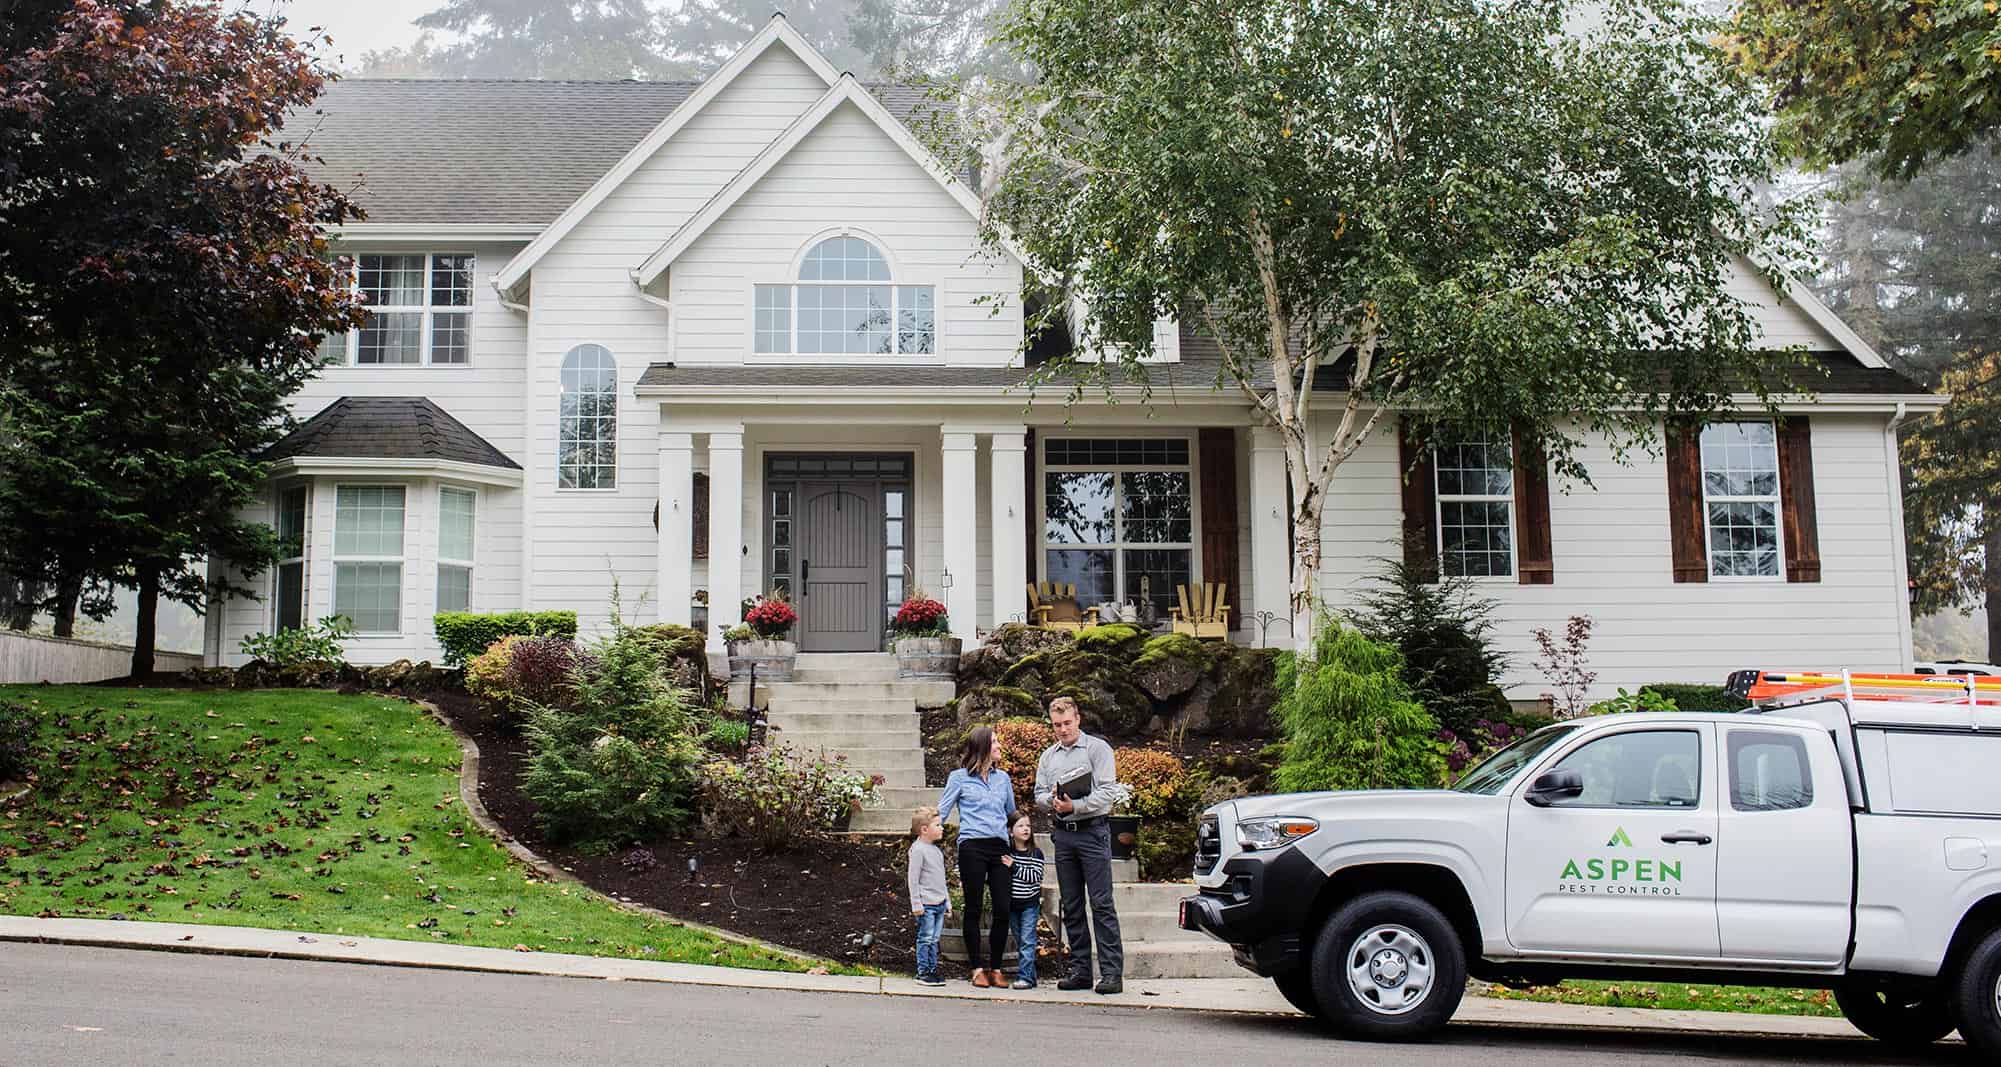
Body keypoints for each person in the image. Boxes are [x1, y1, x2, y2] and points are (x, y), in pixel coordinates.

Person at [1034, 696, 1123, 994]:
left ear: (1078, 719)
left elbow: (1108, 792)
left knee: (1101, 903)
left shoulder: (1097, 749)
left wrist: (1077, 805)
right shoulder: (1049, 757)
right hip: (1064, 835)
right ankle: (1081, 971)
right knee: (1071, 905)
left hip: (1093, 832)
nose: (1062, 729)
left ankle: (1111, 973)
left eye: (1067, 723)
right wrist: (1055, 802)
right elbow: (1039, 794)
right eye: (1057, 725)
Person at [937, 725, 1017, 988]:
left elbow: (1011, 813)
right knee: (973, 907)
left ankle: (996, 967)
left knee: (1003, 908)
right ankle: (976, 968)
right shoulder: (959, 778)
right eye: (994, 742)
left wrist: (1022, 837)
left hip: (1000, 848)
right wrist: (923, 834)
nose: (999, 746)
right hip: (972, 846)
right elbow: (943, 811)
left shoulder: (1003, 778)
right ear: (982, 746)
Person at [1001, 809, 1046, 989]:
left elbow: (1035, 877)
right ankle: (1030, 976)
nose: (1026, 829)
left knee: (1028, 940)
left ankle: (1025, 978)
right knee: (1020, 940)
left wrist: (1015, 867)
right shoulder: (1008, 852)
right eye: (1020, 826)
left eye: (1028, 825)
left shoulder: (1036, 853)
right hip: (1012, 904)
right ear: (1011, 831)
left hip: (1029, 903)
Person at [907, 807, 950, 987]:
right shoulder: (918, 850)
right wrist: (916, 903)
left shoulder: (935, 851)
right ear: (924, 829)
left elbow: (941, 879)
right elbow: (913, 879)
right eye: (938, 825)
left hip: (939, 903)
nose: (942, 828)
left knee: (934, 939)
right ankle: (923, 972)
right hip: (926, 904)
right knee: (925, 938)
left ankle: (932, 970)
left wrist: (947, 900)